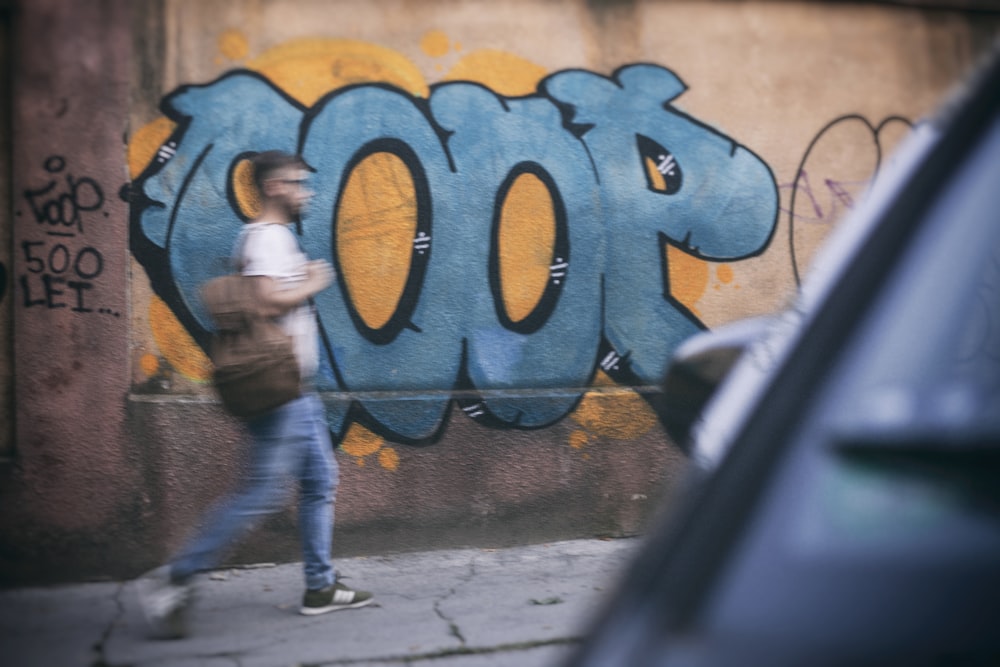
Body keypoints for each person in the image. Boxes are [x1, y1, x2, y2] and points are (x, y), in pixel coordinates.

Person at [138, 150, 372, 639]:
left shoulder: (274, 237)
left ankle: (320, 586)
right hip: (279, 386)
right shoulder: (267, 237)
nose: (305, 190)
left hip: (293, 387)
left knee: (319, 479)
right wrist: (311, 282)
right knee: (261, 491)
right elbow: (265, 300)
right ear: (273, 187)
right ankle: (174, 577)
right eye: (297, 182)